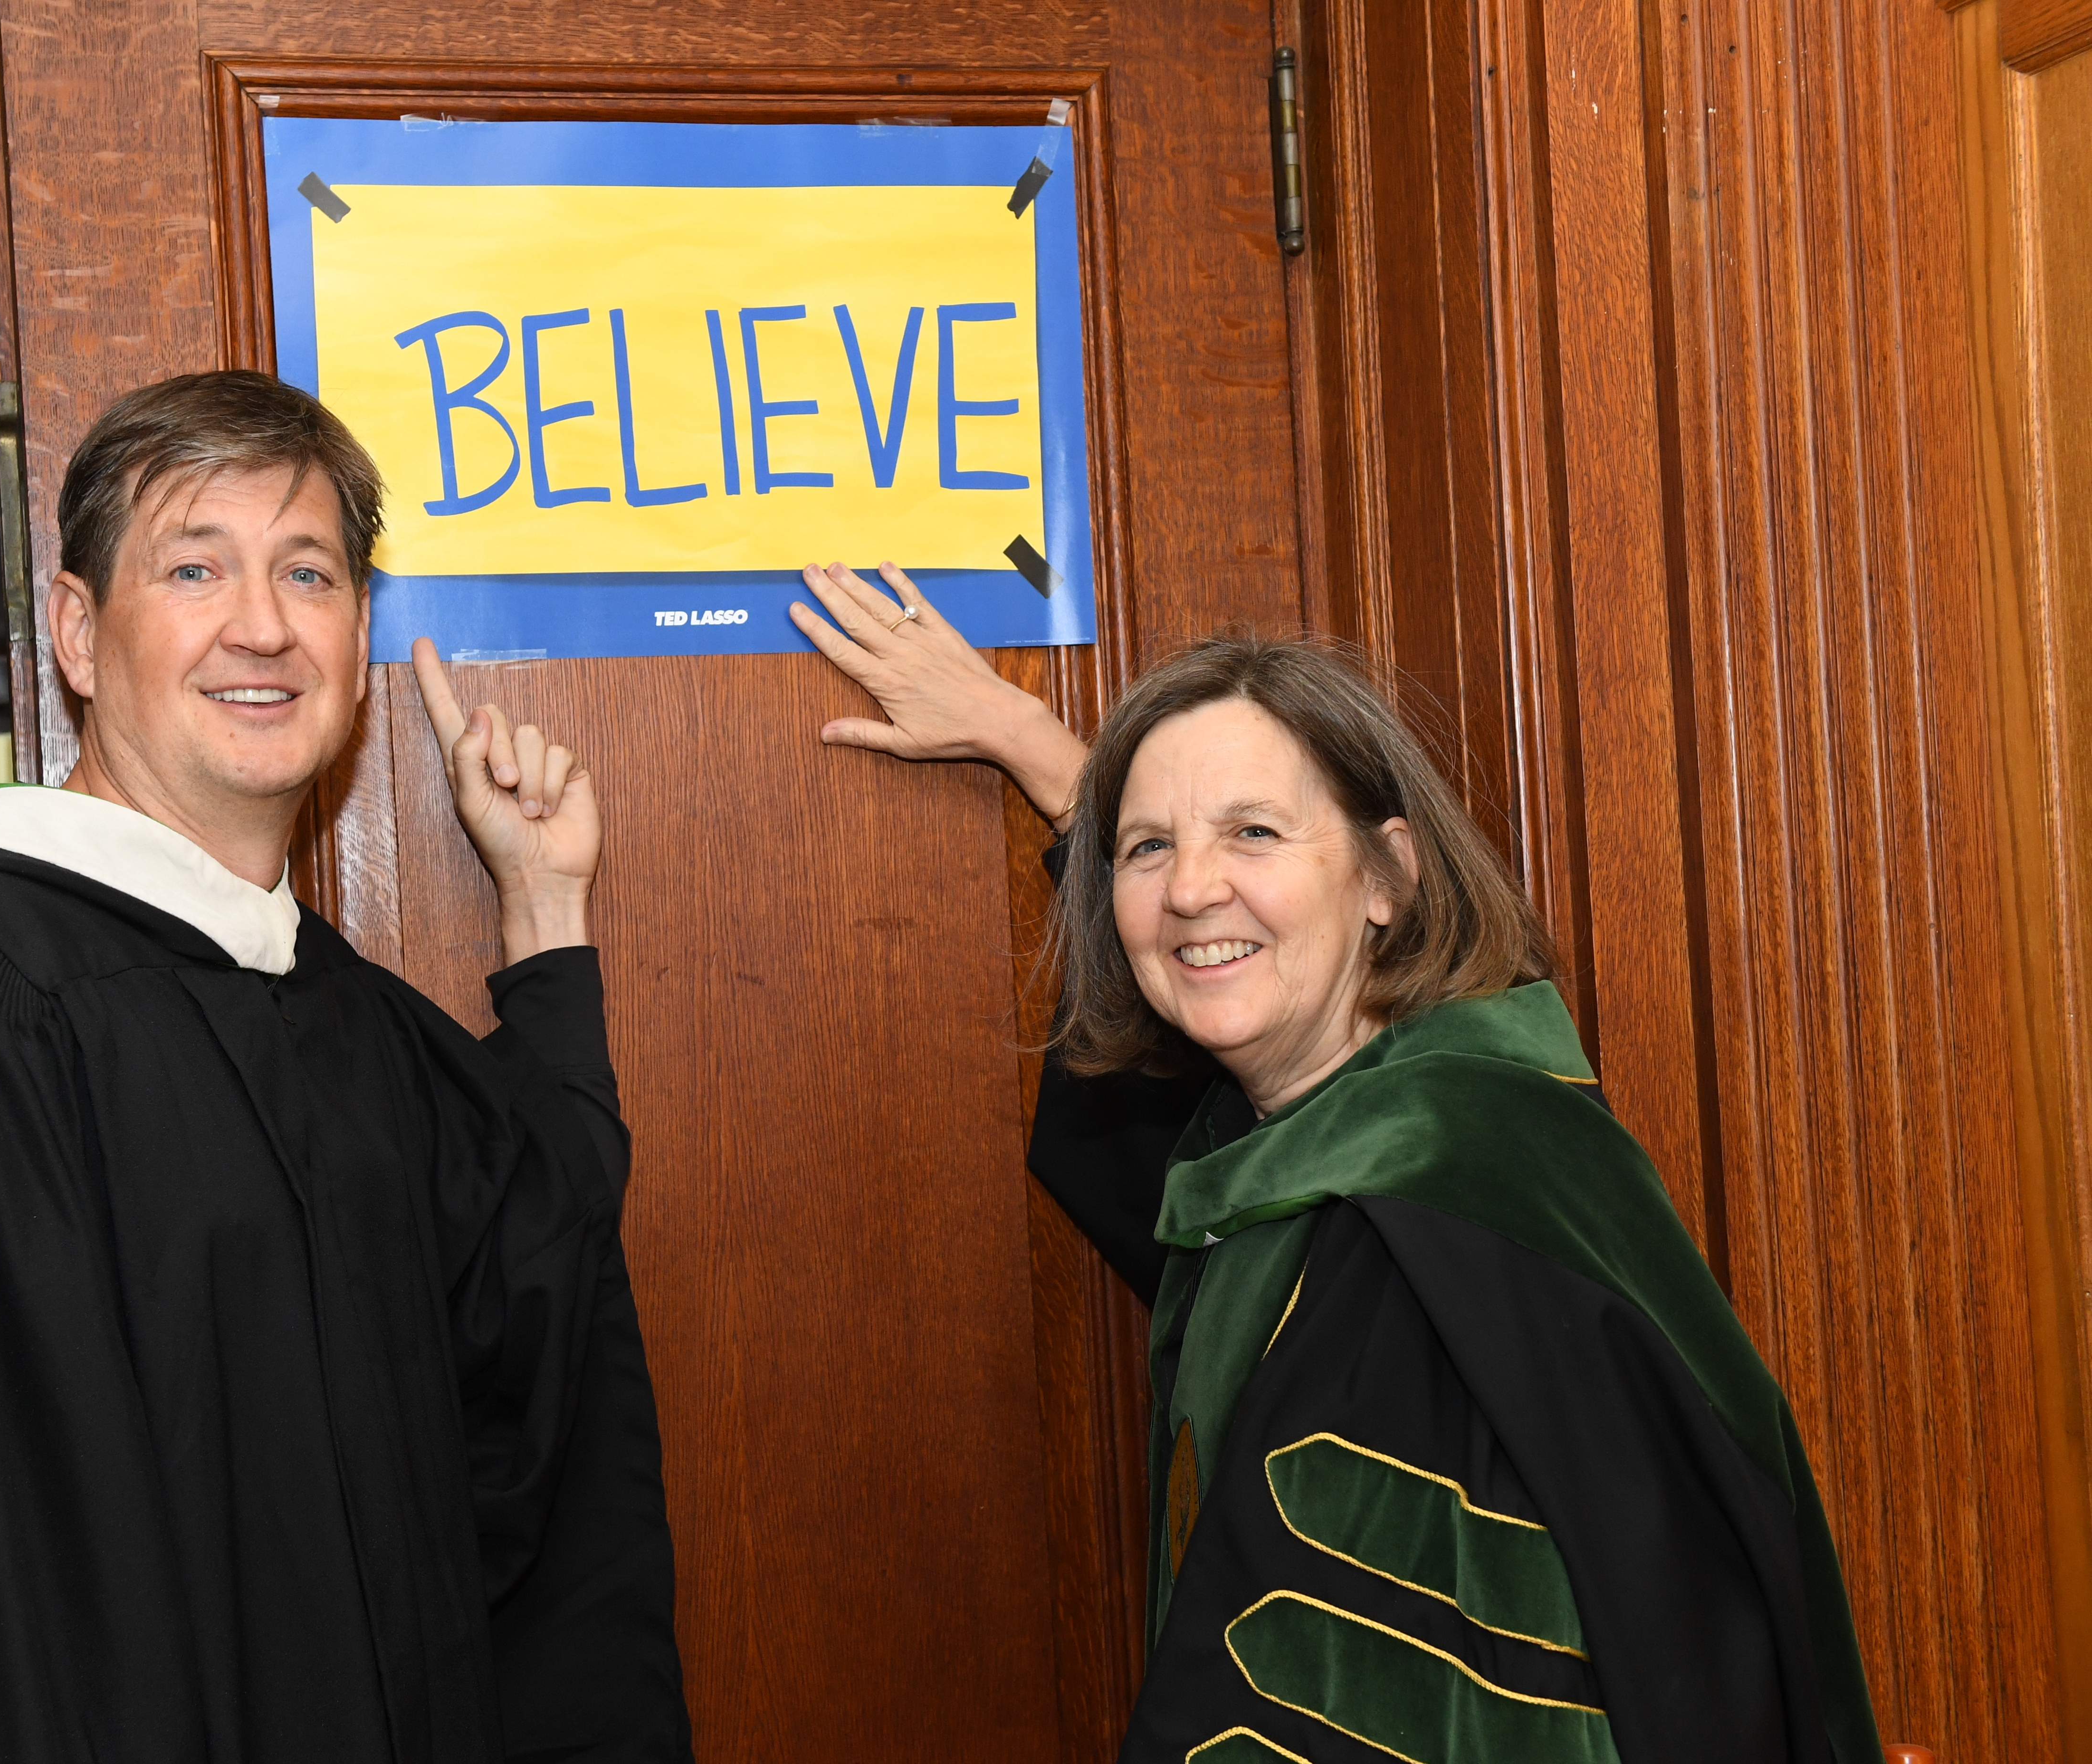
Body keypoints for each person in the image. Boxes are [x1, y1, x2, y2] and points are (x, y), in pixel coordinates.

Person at [0, 372, 690, 1764]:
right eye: (194, 566)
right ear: (78, 634)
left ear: (359, 639)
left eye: (312, 573)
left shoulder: (337, 1017)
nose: (264, 625)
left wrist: (542, 908)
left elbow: (541, 1246)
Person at [791, 563, 1883, 1763]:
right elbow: (1166, 1171)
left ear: (1387, 877)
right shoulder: (1299, 1148)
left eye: (1255, 831)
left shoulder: (1436, 1205)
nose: (1191, 885)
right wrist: (1038, 750)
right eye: (1145, 848)